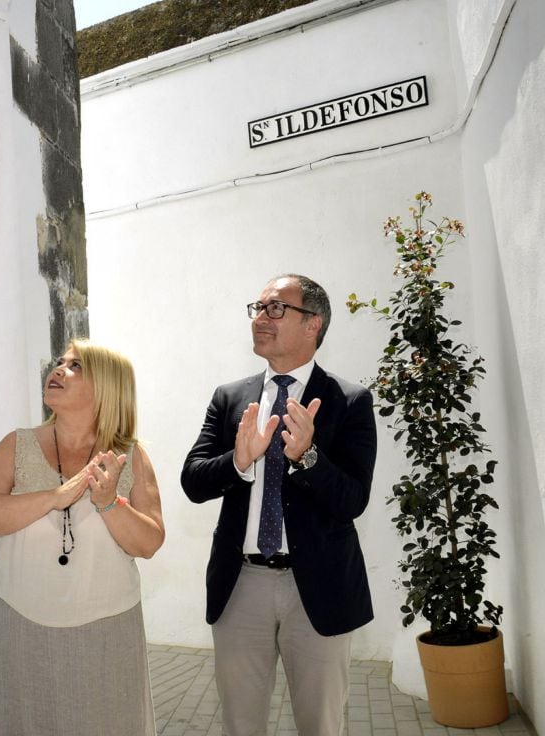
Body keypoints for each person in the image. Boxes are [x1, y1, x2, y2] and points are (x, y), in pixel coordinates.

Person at [181, 274, 377, 736]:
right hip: (240, 584)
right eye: (257, 307)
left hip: (319, 588)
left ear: (314, 324)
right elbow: (193, 481)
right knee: (240, 724)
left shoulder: (348, 401)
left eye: (275, 309)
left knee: (321, 725)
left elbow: (353, 499)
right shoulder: (230, 398)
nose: (259, 318)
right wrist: (240, 460)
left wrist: (308, 457)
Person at [0, 338, 165, 736]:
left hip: (107, 631)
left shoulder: (131, 456)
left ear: (107, 388)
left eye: (75, 366)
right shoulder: (17, 445)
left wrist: (110, 502)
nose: (58, 369)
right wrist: (54, 497)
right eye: (59, 362)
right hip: (24, 627)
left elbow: (149, 543)